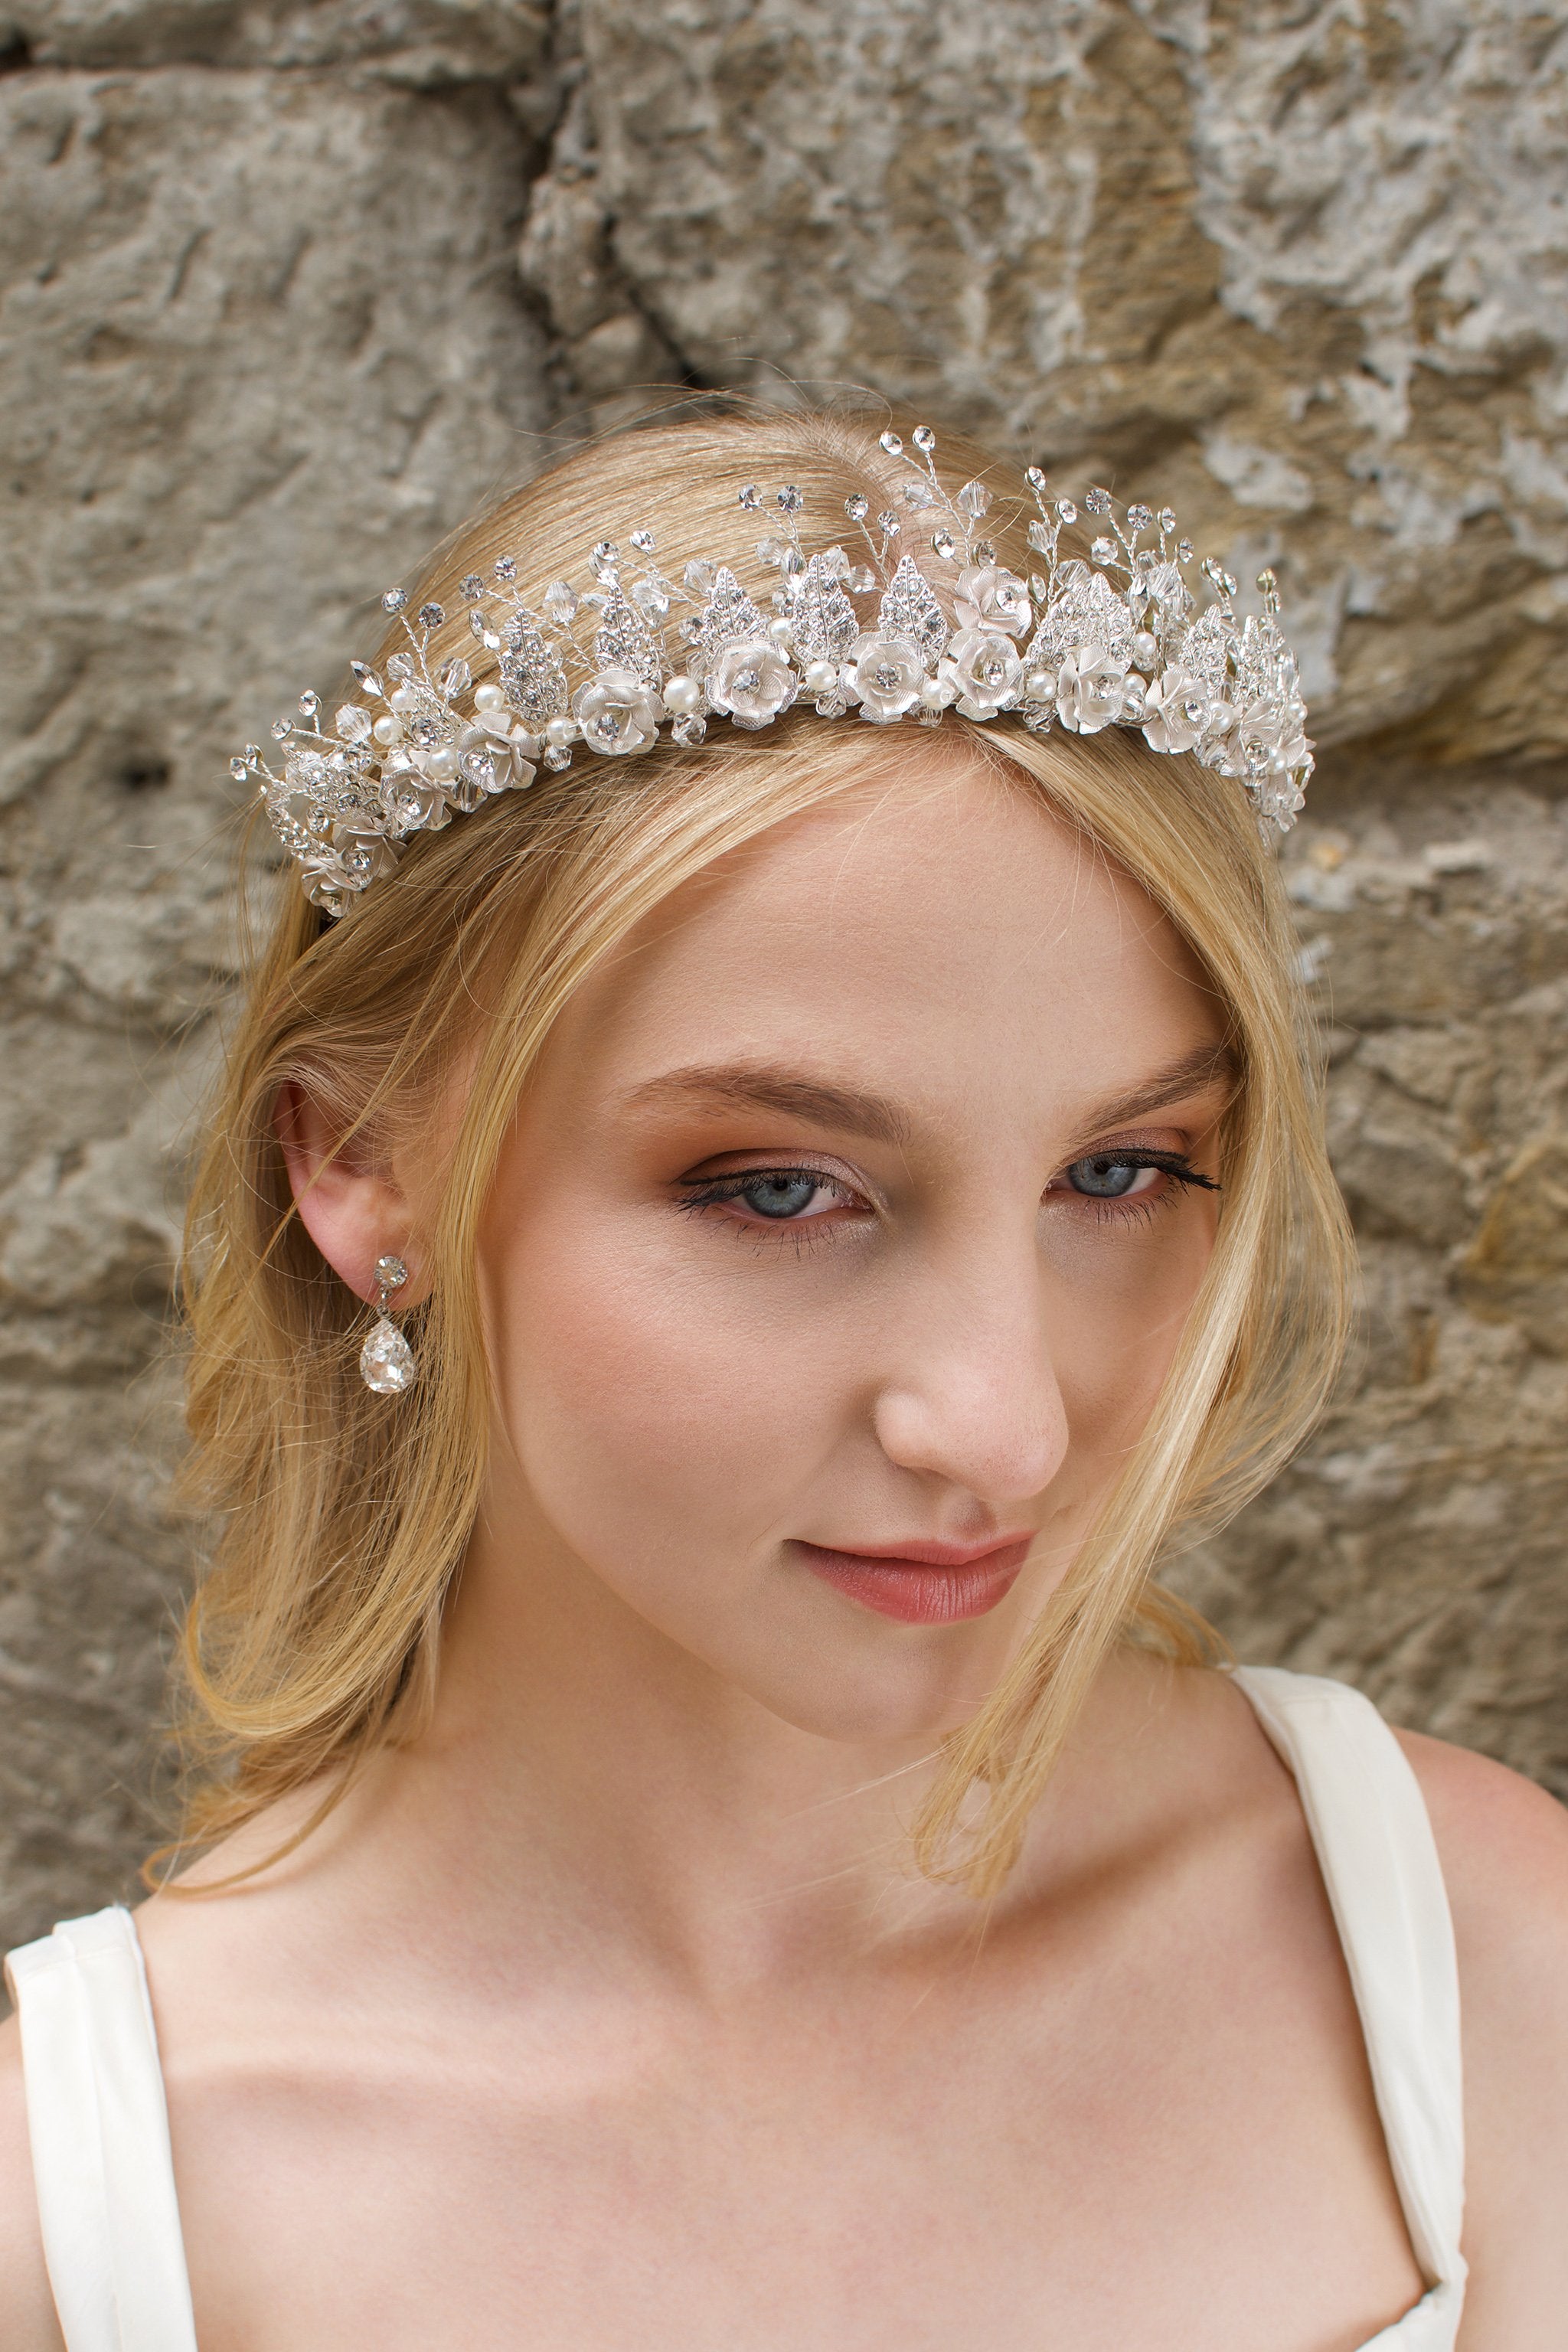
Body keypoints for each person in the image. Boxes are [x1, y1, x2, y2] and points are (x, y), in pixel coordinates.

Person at [2, 403, 1564, 2350]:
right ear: (360, 1167)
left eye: (1121, 1172)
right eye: (778, 1188)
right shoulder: (83, 2228)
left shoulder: (1476, 1964)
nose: (1007, 1422)